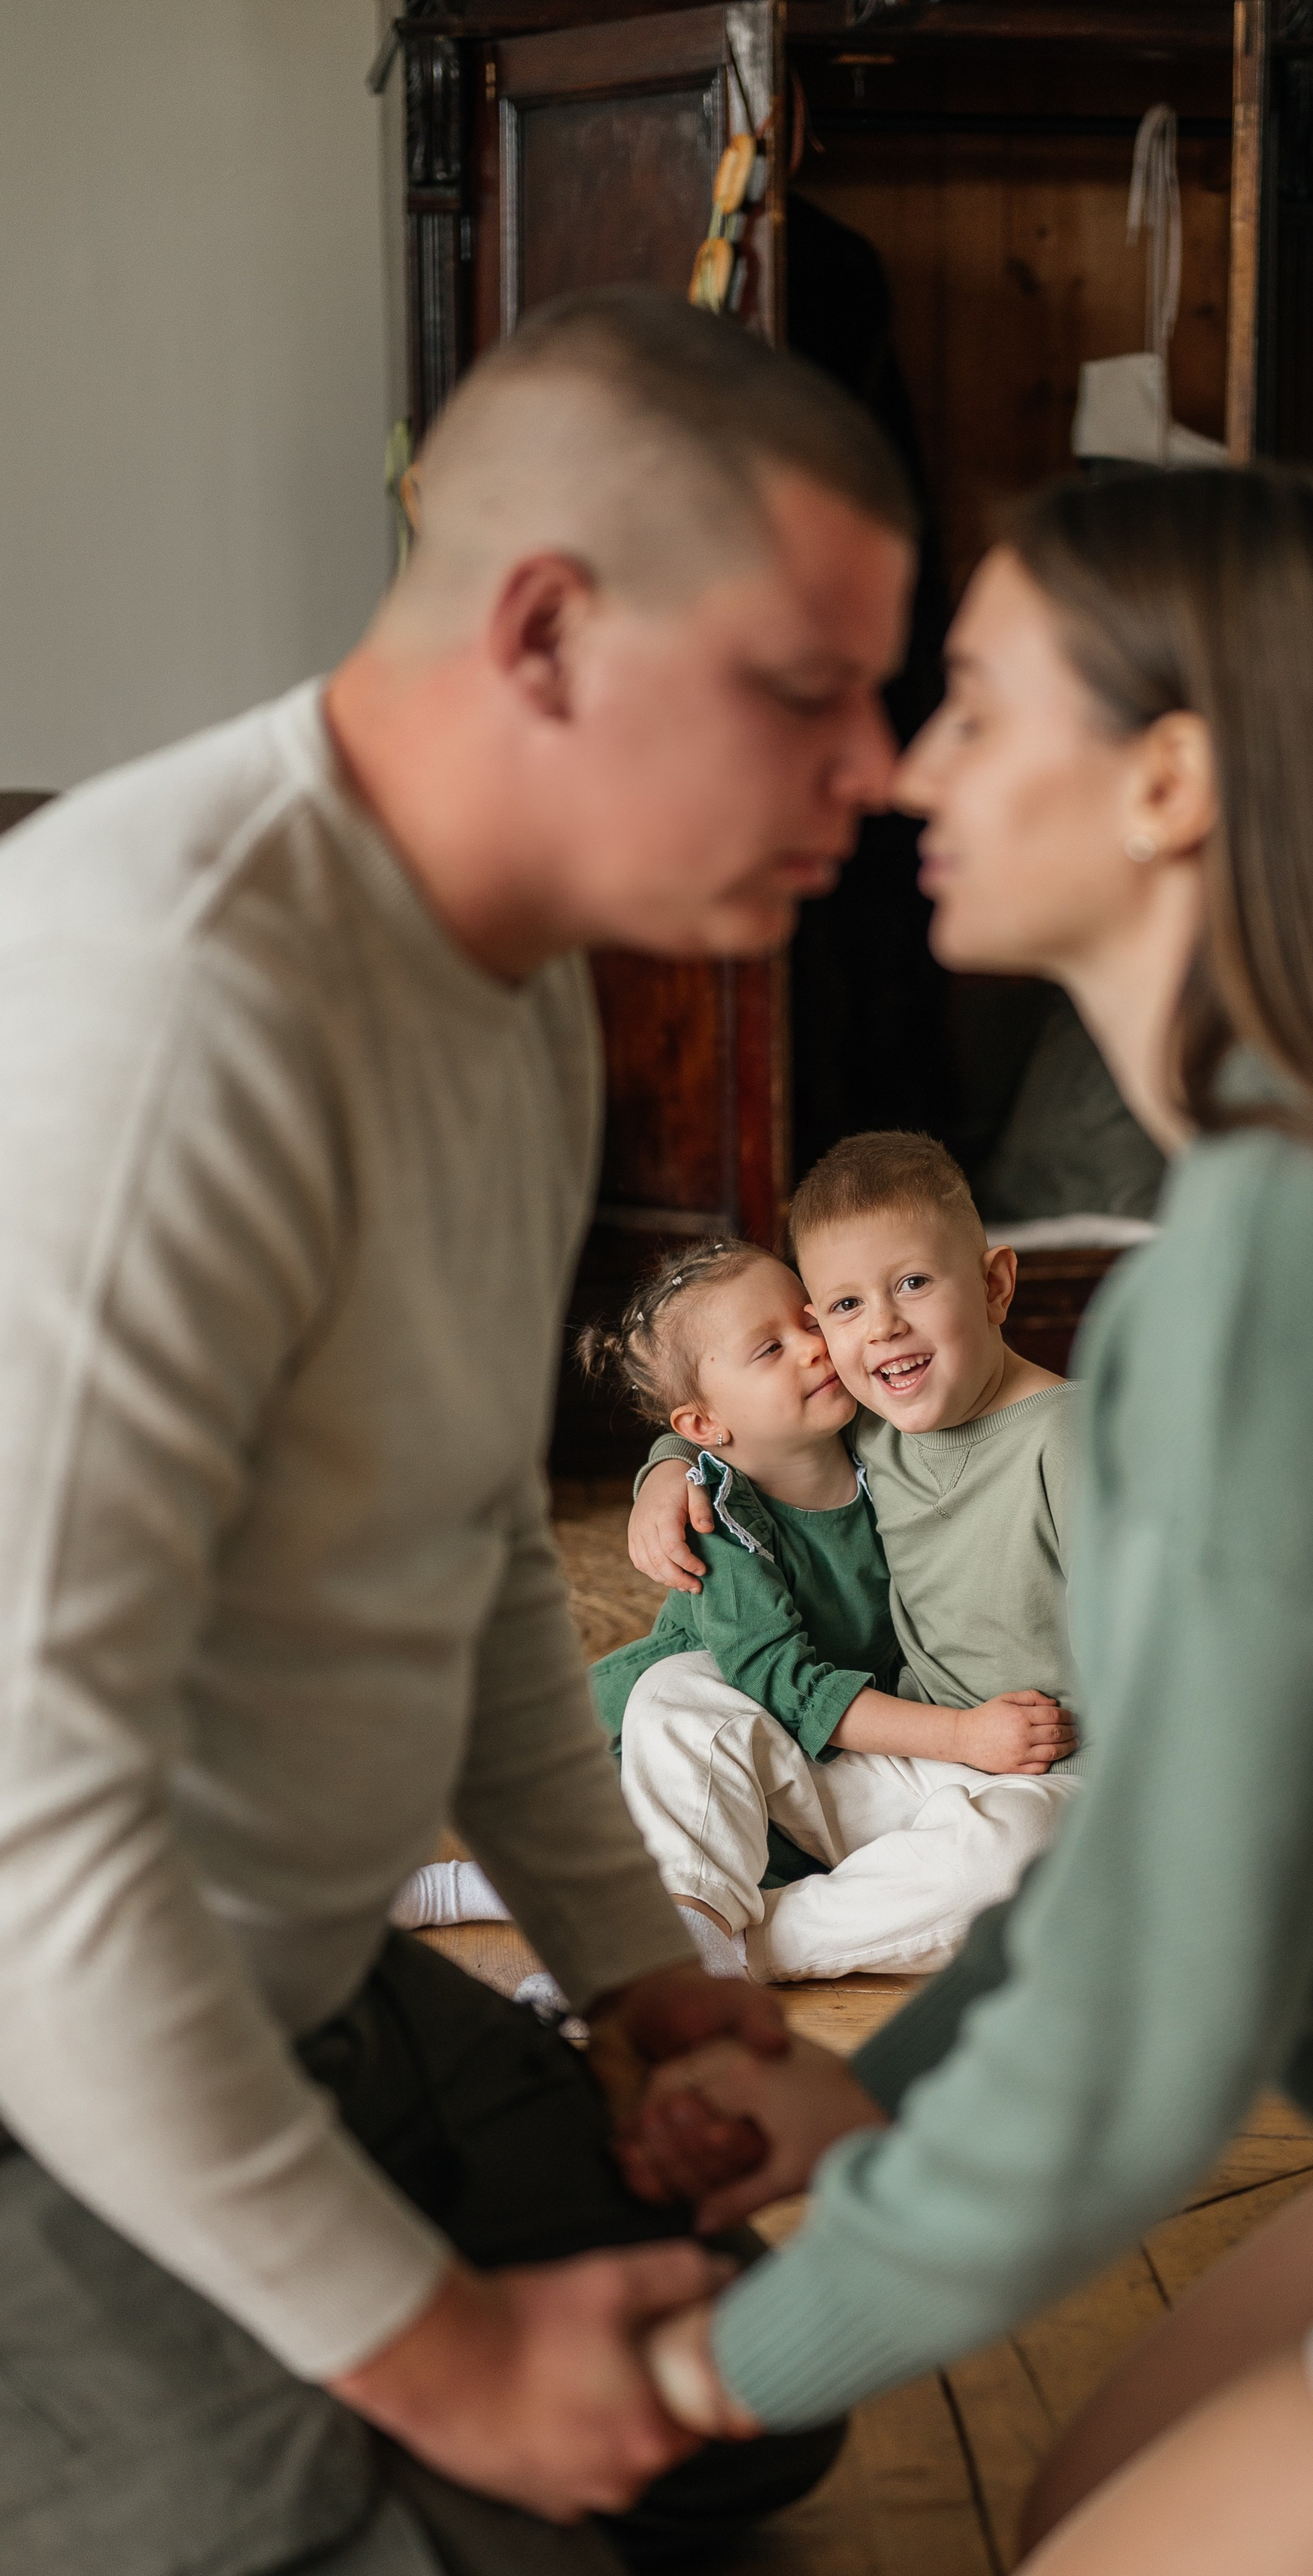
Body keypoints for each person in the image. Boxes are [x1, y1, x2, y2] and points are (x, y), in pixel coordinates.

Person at [614, 466, 1313, 2576]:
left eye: (977, 704)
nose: (909, 758)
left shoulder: (1296, 1254)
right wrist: (884, 2093)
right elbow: (1157, 1866)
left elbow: (1143, 2048)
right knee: (1080, 2498)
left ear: (1167, 780)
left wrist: (708, 2372)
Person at [0, 287, 916, 2573]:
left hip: (277, 1965)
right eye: (804, 694)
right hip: (47, 2025)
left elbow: (477, 1551)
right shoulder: (166, 1007)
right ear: (545, 628)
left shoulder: (516, 1003)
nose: (872, 774)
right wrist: (434, 2354)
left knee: (735, 2416)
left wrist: (635, 1975)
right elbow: (35, 1858)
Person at [401, 1235, 1075, 1981]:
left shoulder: (877, 1434)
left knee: (1023, 1845)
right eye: (769, 1349)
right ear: (704, 1425)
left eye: (812, 1321)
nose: (814, 1349)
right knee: (680, 1710)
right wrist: (961, 1733)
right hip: (715, 1760)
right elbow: (784, 1686)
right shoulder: (721, 1518)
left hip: (854, 1761)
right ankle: (580, 1916)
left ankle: (702, 1948)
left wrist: (664, 1461)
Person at [625, 1129, 1084, 1967]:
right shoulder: (877, 1418)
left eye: (912, 1282)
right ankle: (692, 1908)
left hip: (1049, 1780)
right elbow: (743, 1426)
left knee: (1018, 1849)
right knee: (678, 1687)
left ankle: (717, 1949)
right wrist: (666, 1470)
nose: (882, 1328)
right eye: (841, 1307)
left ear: (994, 1284)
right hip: (908, 1761)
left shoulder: (1076, 1439)